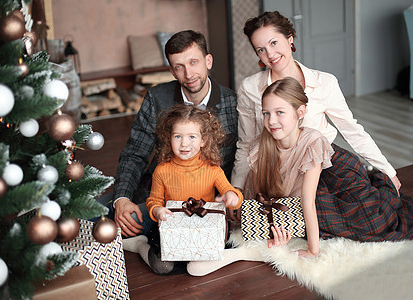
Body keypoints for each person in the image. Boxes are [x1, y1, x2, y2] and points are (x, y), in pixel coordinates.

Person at [231, 11, 401, 207]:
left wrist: (389, 171)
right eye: (260, 49)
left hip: (322, 167)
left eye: (274, 43)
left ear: (289, 38)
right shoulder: (250, 88)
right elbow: (246, 144)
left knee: (369, 210)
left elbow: (352, 131)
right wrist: (238, 189)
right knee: (306, 219)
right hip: (277, 173)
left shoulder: (324, 82)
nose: (270, 54)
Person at [247, 77, 413, 257]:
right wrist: (276, 232)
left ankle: (377, 183)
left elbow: (307, 201)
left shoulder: (313, 143)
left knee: (376, 222)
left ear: (300, 112)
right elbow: (262, 199)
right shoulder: (260, 149)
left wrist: (313, 251)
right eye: (266, 113)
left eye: (280, 112)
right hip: (314, 189)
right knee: (325, 218)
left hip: (336, 174)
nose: (271, 121)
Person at [112, 30, 238, 237]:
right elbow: (135, 154)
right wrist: (122, 198)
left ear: (208, 61)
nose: (188, 75)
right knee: (98, 216)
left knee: (123, 230)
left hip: (207, 205)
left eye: (194, 62)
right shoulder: (156, 98)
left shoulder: (232, 102)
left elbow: (243, 157)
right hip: (159, 196)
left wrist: (233, 197)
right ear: (172, 71)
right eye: (179, 67)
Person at [122, 105, 243, 275]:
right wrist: (157, 211)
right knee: (162, 267)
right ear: (168, 138)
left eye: (192, 137)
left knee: (199, 265)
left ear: (203, 140)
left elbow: (233, 193)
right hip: (173, 230)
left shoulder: (213, 170)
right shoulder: (162, 170)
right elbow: (154, 200)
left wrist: (231, 197)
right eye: (177, 136)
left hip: (203, 229)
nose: (184, 144)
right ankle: (140, 244)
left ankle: (189, 260)